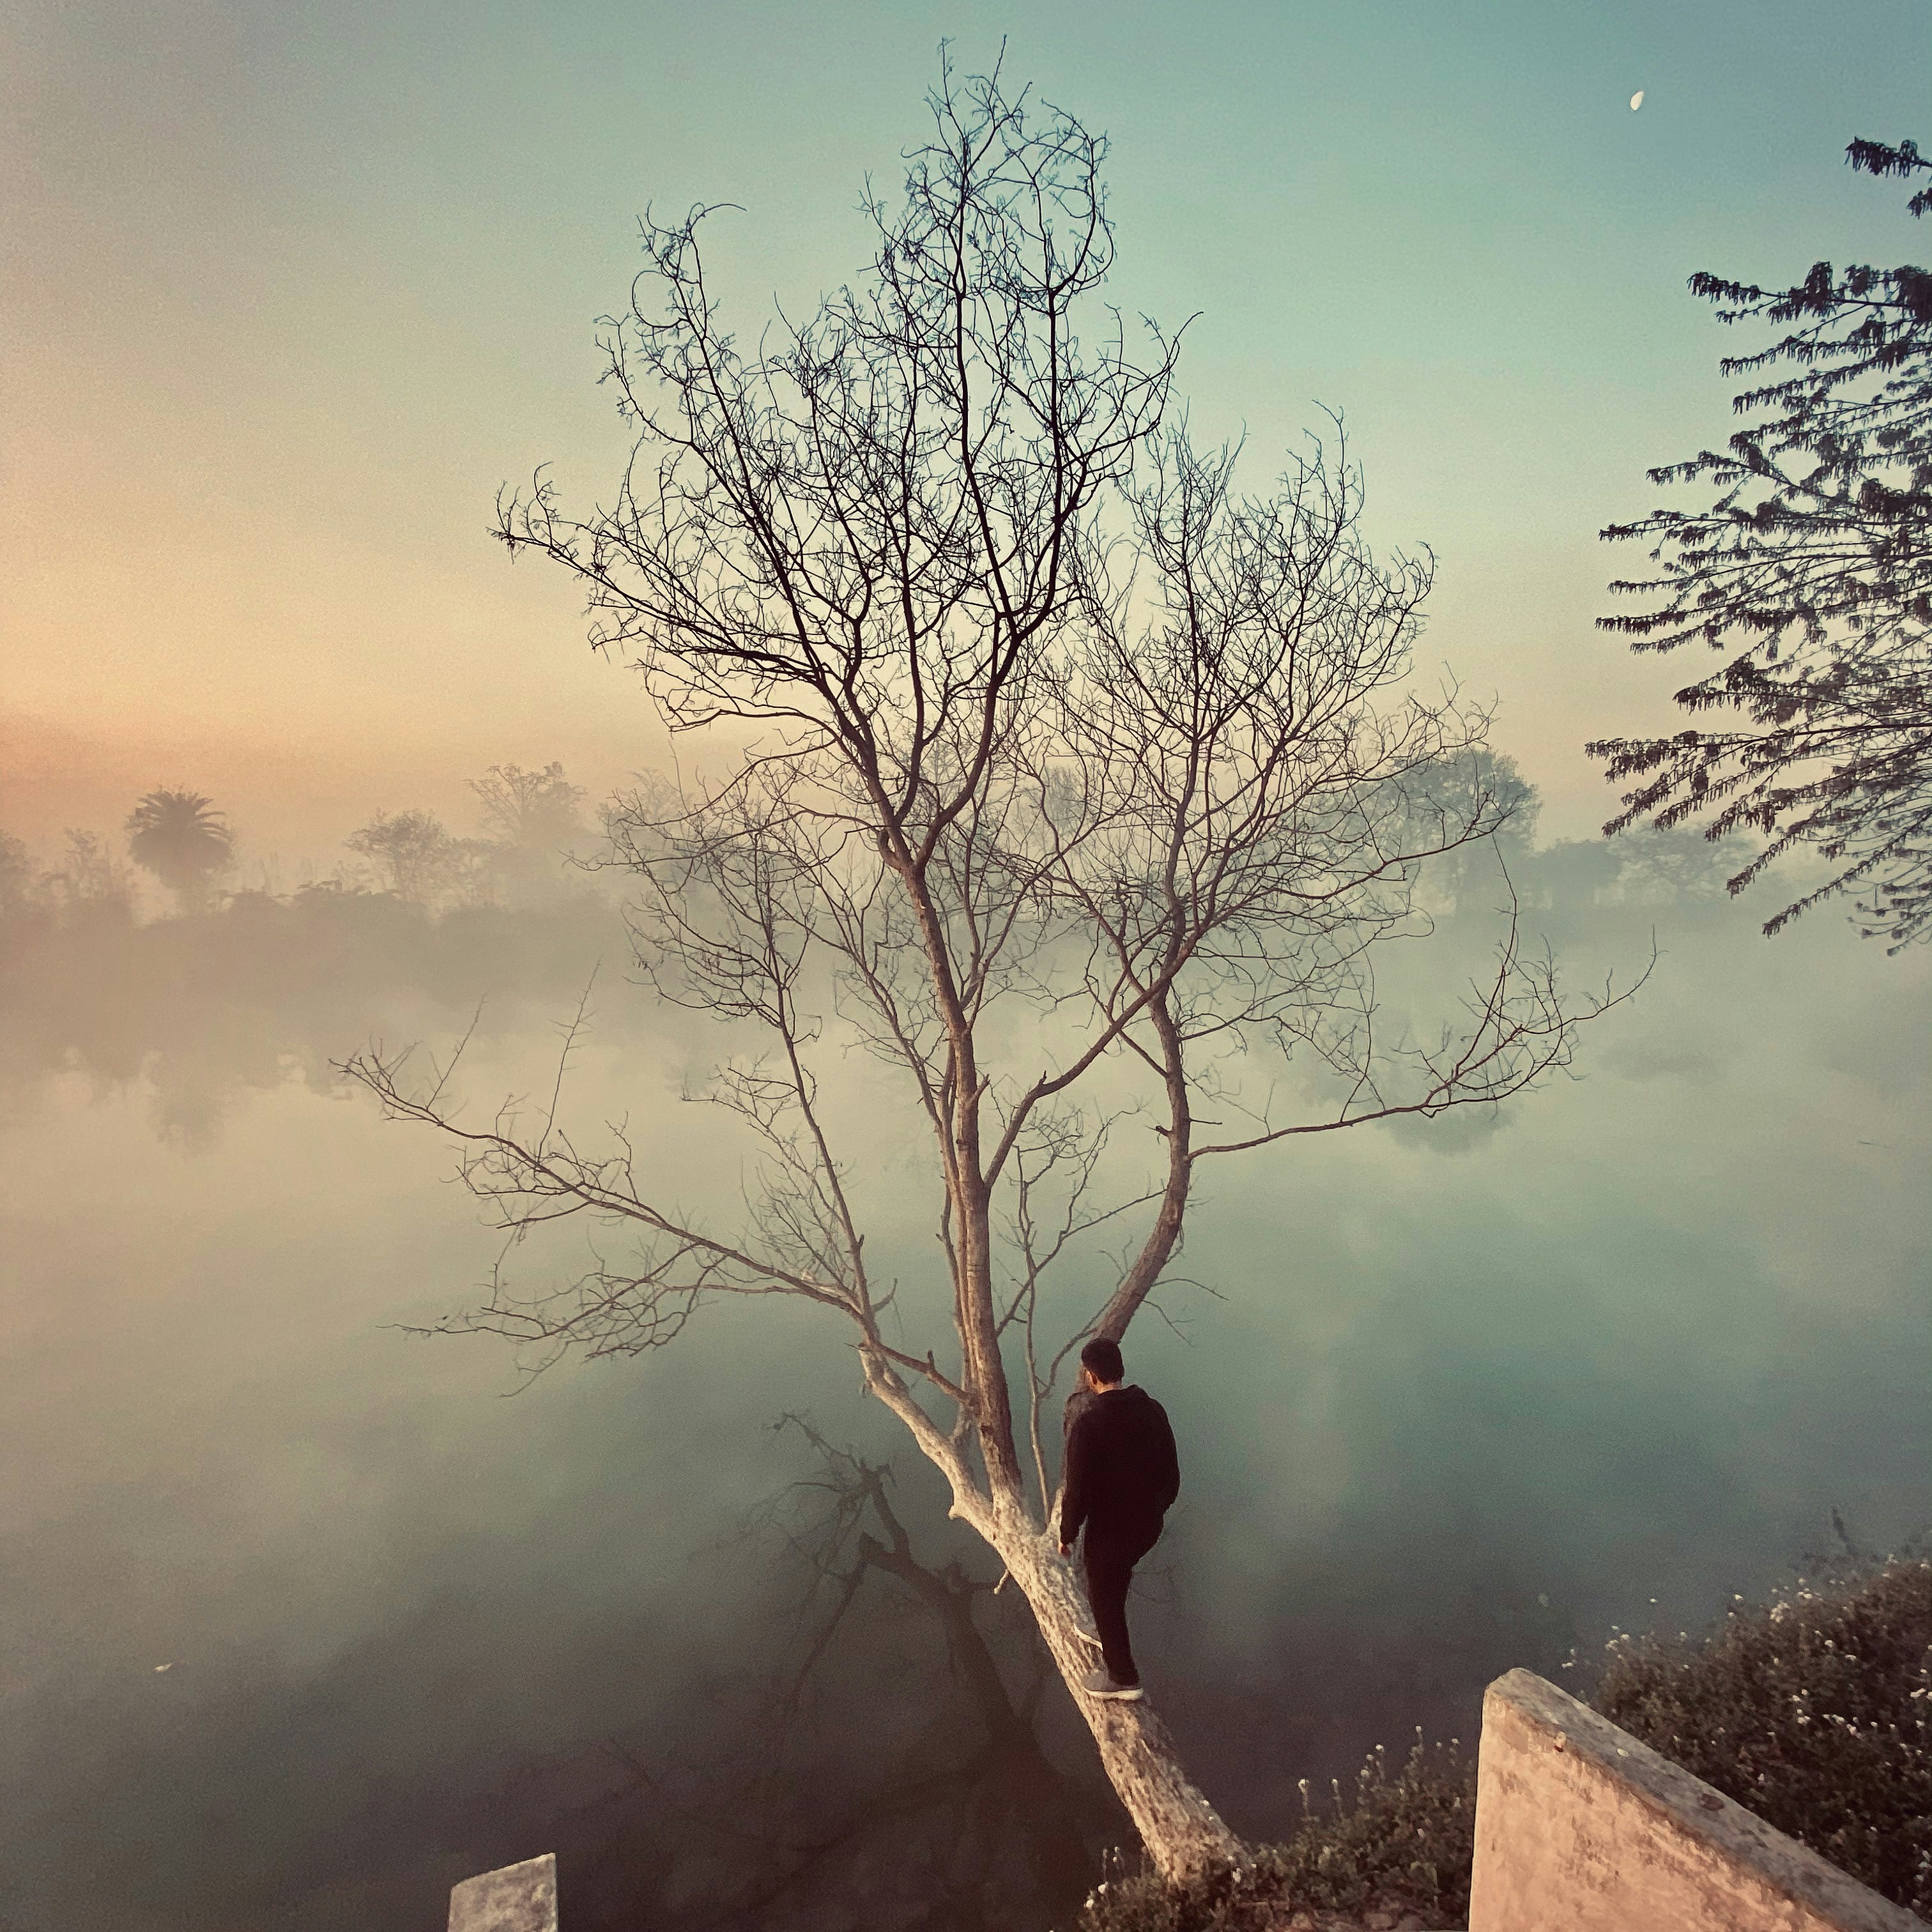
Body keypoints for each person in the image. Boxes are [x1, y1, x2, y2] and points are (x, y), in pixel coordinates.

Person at [1057, 1337, 1179, 1703]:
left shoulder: (1088, 1425)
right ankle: (1104, 1629)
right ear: (1120, 1371)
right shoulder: (1153, 1410)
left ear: (1091, 1376)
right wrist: (1155, 1510)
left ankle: (1123, 1678)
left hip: (1111, 1532)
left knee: (1104, 1590)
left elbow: (1076, 1490)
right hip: (1148, 1526)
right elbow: (1172, 1474)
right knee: (1114, 1579)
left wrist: (1067, 1533)